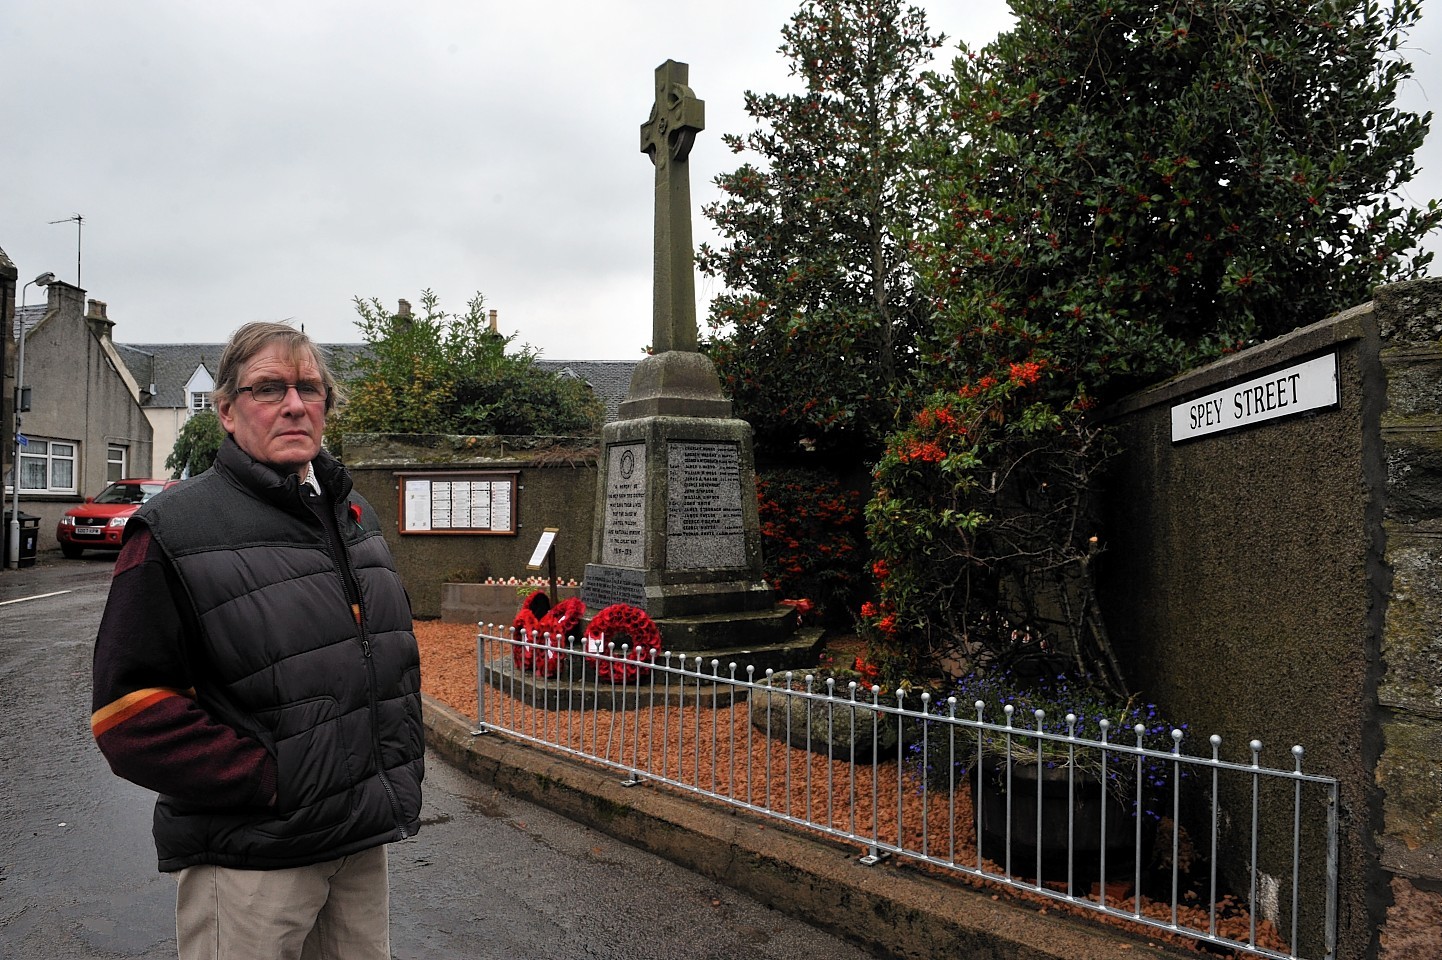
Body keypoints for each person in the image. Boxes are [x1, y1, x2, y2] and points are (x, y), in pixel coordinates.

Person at [91, 321, 424, 960]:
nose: (295, 404)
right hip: (251, 859)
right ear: (226, 411)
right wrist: (277, 778)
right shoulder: (171, 528)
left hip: (357, 841)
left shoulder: (355, 517)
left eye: (310, 388)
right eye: (268, 388)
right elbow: (127, 715)